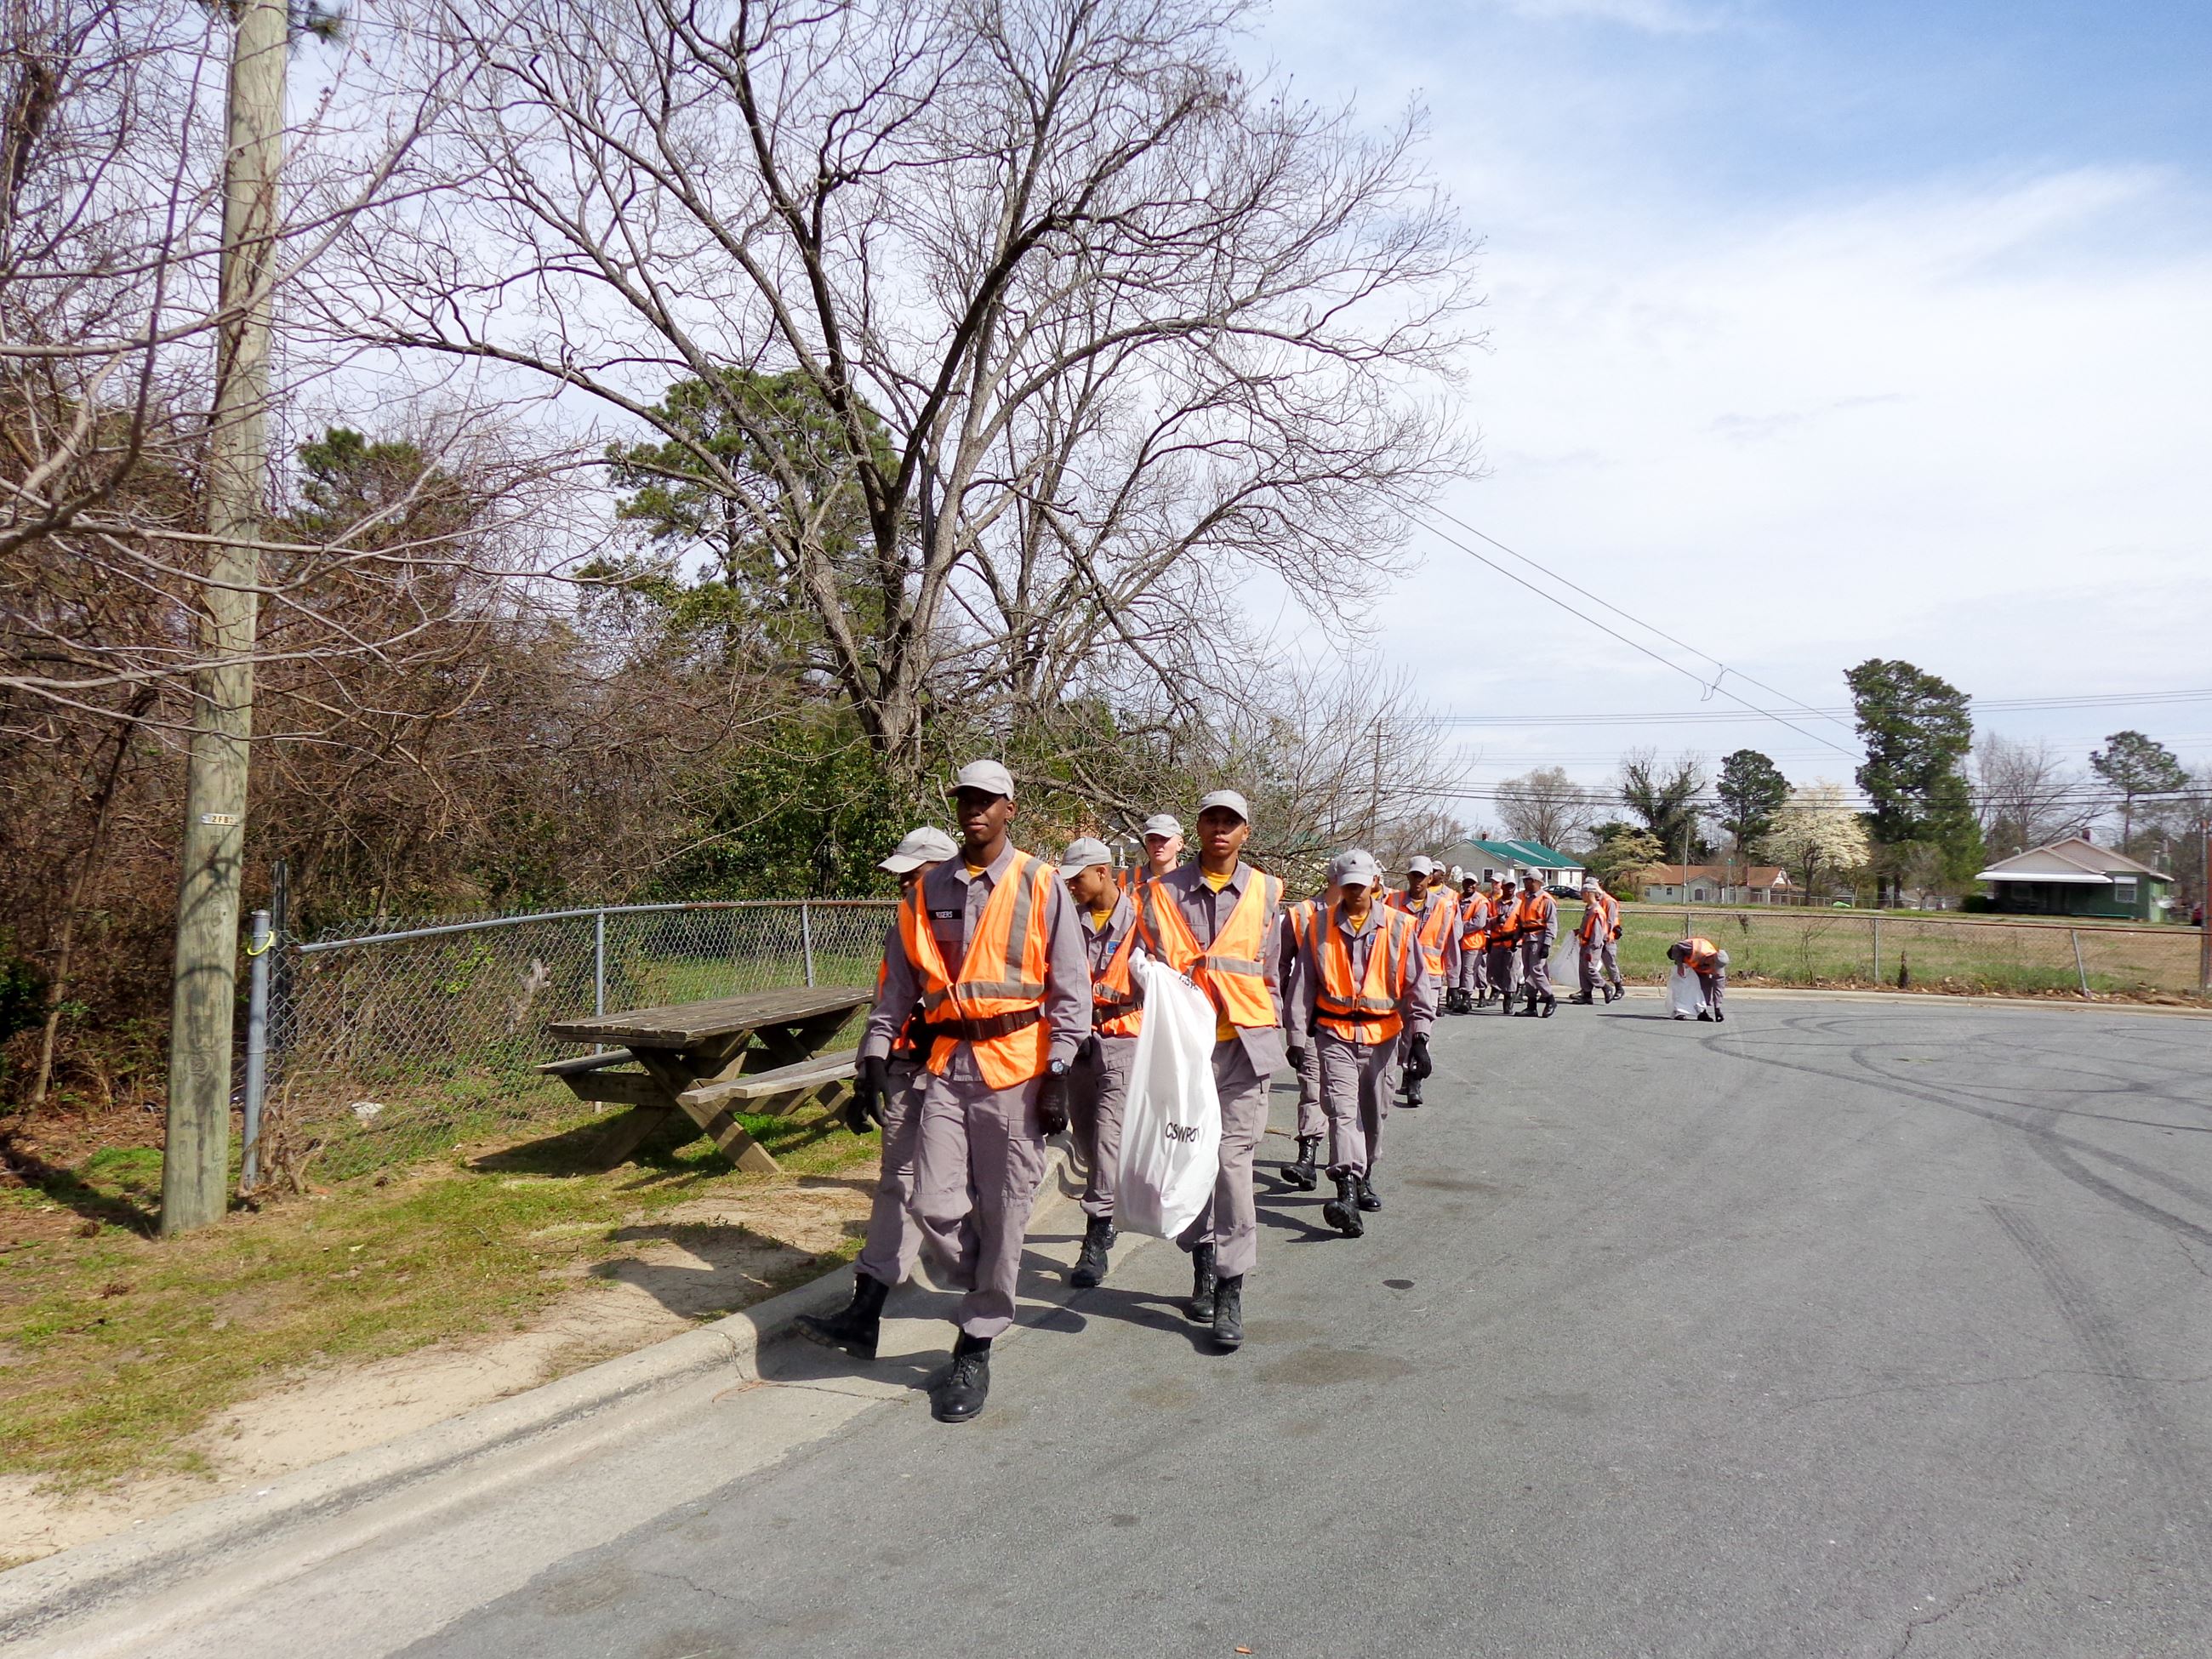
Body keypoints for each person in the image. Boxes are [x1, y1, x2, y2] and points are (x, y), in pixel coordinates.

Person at [858, 761, 1092, 1423]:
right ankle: (985, 1278)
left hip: (1018, 1067)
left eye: (988, 801)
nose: (975, 811)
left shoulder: (1040, 883)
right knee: (932, 1202)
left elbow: (1071, 992)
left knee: (1008, 1207)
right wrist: (876, 1053)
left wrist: (1059, 1074)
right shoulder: (926, 888)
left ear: (1010, 809)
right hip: (945, 1063)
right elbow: (898, 987)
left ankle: (977, 1341)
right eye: (966, 800)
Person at [796, 825, 957, 1363]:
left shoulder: (978, 919)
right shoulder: (906, 923)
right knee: (897, 1186)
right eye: (901, 879)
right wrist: (870, 1063)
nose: (905, 886)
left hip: (971, 1073)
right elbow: (889, 998)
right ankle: (865, 1313)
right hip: (909, 1067)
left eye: (912, 875)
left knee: (949, 1196)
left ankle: (983, 1303)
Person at [1132, 788, 1284, 1353]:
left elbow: (1269, 970)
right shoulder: (1160, 892)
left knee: (1229, 1165)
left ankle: (1230, 1285)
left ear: (1246, 833)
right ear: (1197, 829)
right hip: (1183, 1054)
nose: (1221, 828)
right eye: (1211, 819)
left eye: (1232, 821)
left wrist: (1276, 1035)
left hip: (1243, 1049)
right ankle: (1200, 1252)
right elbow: (1142, 959)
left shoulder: (1267, 892)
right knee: (1184, 1158)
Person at [1286, 849, 1430, 1239]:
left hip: (1382, 1036)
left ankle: (1365, 1174)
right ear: (1338, 885)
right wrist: (1297, 1037)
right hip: (1333, 1034)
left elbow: (1417, 985)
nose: (1354, 894)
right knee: (1341, 1110)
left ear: (1375, 885)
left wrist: (1420, 1037)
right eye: (1347, 886)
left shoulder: (1400, 927)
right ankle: (1346, 1190)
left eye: (1361, 887)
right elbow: (1303, 985)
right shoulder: (1318, 926)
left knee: (1375, 1113)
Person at [1059, 836, 1142, 1289]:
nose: (1072, 886)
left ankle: (1095, 1235)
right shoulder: (1069, 919)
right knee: (1089, 1140)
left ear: (1104, 873)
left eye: (1078, 879)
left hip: (1124, 1039)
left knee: (1108, 1137)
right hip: (1078, 1042)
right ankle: (1110, 1200)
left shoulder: (1142, 920)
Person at [1278, 873, 1340, 1192]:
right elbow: (1280, 964)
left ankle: (1351, 1172)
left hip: (1353, 1028)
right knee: (1311, 1088)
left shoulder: (1374, 916)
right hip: (1311, 1020)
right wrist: (1289, 1021)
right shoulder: (1300, 915)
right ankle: (1307, 1157)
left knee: (1346, 1100)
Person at [1387, 856, 1459, 1103]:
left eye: (1422, 876)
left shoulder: (1445, 906)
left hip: (1430, 978)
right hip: (1396, 978)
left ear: (1431, 878)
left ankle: (1415, 1080)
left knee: (1420, 1031)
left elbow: (1451, 945)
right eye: (1414, 875)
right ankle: (1404, 1072)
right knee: (1398, 1031)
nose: (1417, 881)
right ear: (1407, 876)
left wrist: (1455, 982)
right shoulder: (1392, 902)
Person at [1569, 876, 1624, 1006]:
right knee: (1584, 968)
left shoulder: (1606, 903)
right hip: (1591, 941)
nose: (1582, 895)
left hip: (1603, 940)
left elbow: (1608, 923)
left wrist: (1600, 942)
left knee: (1605, 964)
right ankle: (1587, 994)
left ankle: (1613, 987)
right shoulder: (1592, 907)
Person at [1515, 870, 1559, 1018]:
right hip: (1527, 938)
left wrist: (1547, 944)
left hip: (1538, 939)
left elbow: (1552, 924)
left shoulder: (1546, 900)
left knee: (1536, 970)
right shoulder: (1525, 898)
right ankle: (1531, 1005)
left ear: (1535, 881)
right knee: (1528, 972)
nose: (1525, 883)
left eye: (1527, 880)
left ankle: (1550, 998)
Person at [1451, 871, 1491, 1013]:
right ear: (1463, 883)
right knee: (1458, 970)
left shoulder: (1481, 901)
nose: (1469, 885)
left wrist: (1458, 927)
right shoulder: (1457, 899)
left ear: (1476, 885)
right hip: (1457, 942)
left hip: (1473, 943)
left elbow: (1478, 923)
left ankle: (1467, 999)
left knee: (1469, 971)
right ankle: (1456, 997)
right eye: (1467, 882)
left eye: (1472, 883)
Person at [1485, 870, 1524, 1013]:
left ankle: (1509, 998)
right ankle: (1499, 990)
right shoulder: (1494, 904)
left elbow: (1524, 923)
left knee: (1512, 972)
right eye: (1507, 886)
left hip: (1513, 944)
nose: (1509, 889)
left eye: (1512, 886)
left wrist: (1517, 937)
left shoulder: (1520, 904)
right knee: (1494, 972)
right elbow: (1486, 921)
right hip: (1496, 943)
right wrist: (1496, 920)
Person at [1120, 812, 1184, 895]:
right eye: (1152, 840)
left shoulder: (1191, 881)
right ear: (1146, 843)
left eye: (1164, 839)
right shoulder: (1127, 880)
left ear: (1179, 844)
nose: (1157, 844)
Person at [1668, 936, 1728, 1021]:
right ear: (1711, 958)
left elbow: (1718, 988)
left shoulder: (1719, 968)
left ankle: (1702, 1012)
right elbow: (1676, 948)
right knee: (1682, 986)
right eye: (1715, 965)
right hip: (1685, 964)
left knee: (1706, 985)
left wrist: (1717, 1009)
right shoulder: (1697, 948)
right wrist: (1680, 965)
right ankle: (1679, 1012)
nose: (1716, 969)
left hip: (1699, 969)